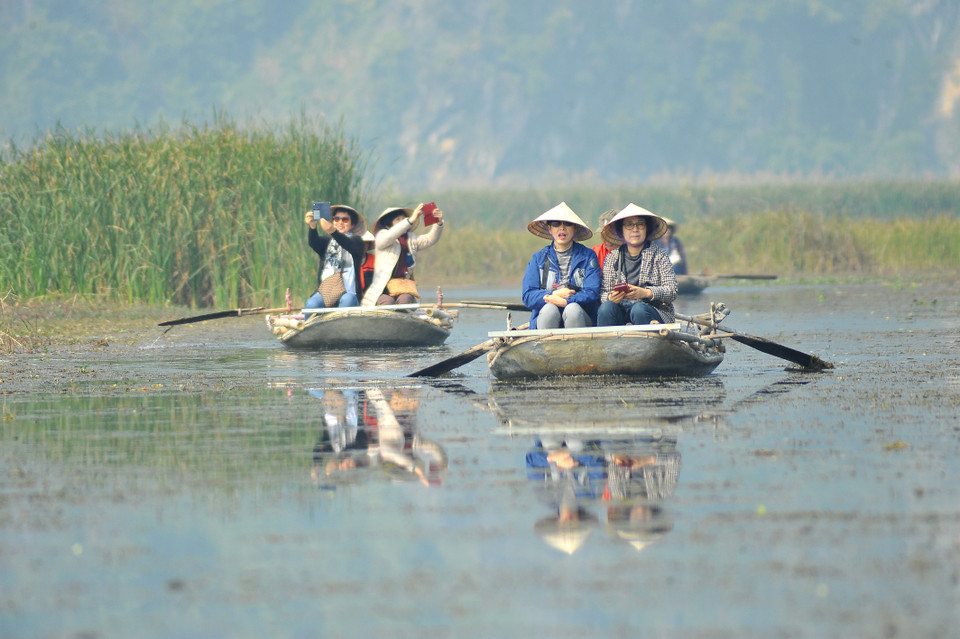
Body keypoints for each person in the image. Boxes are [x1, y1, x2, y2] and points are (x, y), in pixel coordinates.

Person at [521, 202, 601, 329]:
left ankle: (577, 347)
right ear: (549, 228)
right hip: (546, 315)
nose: (562, 228)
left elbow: (592, 292)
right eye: (556, 224)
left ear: (575, 228)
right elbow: (528, 296)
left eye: (567, 224)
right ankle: (547, 348)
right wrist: (554, 295)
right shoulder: (538, 258)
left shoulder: (588, 256)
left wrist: (566, 301)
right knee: (549, 309)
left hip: (580, 317)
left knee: (572, 309)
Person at [596, 203, 678, 327]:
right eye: (629, 225)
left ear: (647, 228)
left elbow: (672, 291)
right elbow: (603, 293)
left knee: (639, 309)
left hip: (652, 312)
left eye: (640, 224)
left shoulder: (659, 255)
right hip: (621, 312)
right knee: (605, 308)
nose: (635, 229)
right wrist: (611, 297)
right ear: (621, 230)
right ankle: (608, 345)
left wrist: (646, 293)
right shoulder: (612, 257)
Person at [361, 203, 445, 307]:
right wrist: (410, 220)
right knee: (387, 302)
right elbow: (389, 237)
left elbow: (430, 239)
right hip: (382, 288)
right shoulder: (382, 236)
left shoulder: (410, 239)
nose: (403, 221)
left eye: (404, 218)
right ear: (388, 225)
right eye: (398, 219)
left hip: (403, 286)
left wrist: (438, 223)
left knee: (405, 300)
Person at [303, 204, 367, 311]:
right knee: (311, 304)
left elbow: (348, 244)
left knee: (347, 301)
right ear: (332, 221)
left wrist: (333, 231)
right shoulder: (326, 242)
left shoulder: (357, 241)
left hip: (348, 292)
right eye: (336, 219)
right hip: (326, 291)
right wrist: (312, 227)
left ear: (352, 224)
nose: (340, 222)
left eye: (345, 220)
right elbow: (314, 243)